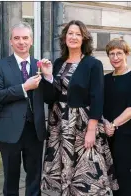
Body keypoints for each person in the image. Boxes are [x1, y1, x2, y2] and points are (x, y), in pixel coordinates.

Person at [41, 20, 118, 195]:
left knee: (87, 170)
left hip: (82, 123)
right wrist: (47, 77)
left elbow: (97, 98)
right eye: (70, 33)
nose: (73, 37)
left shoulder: (93, 64)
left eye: (78, 34)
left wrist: (92, 130)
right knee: (63, 166)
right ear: (65, 37)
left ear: (84, 39)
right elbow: (49, 98)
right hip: (59, 123)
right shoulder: (58, 62)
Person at [0, 21, 54, 196]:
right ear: (10, 41)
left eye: (25, 38)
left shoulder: (40, 65)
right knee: (11, 179)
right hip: (10, 131)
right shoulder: (0, 65)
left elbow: (50, 98)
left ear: (31, 40)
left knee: (34, 178)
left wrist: (49, 77)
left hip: (35, 131)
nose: (21, 42)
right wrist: (23, 87)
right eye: (17, 38)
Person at [103, 38, 131, 196]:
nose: (115, 57)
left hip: (127, 133)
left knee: (122, 171)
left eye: (119, 53)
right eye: (111, 54)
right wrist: (106, 123)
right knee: (110, 172)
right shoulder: (106, 79)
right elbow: (100, 104)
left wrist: (113, 125)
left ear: (126, 54)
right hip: (107, 132)